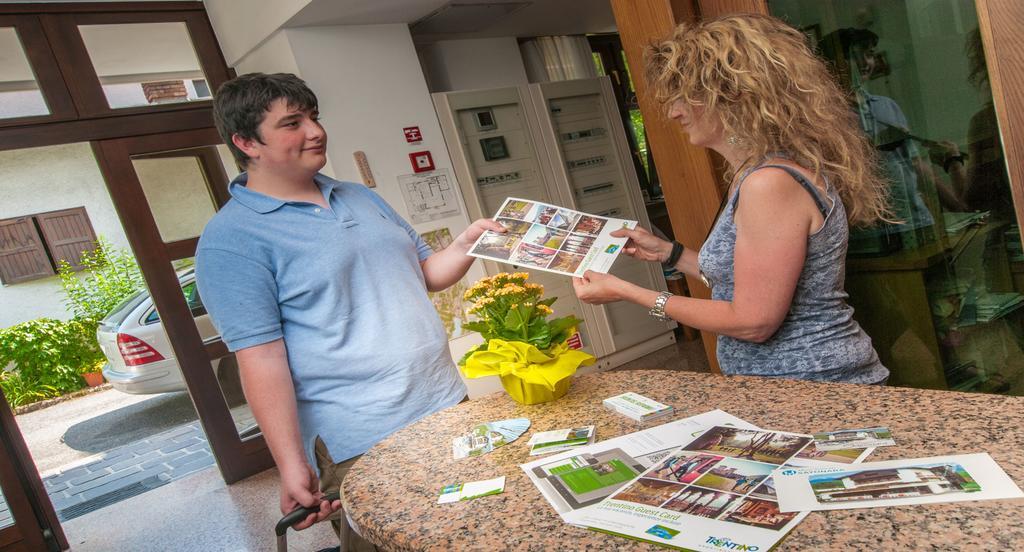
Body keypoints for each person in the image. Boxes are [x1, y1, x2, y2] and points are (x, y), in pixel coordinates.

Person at [195, 72, 504, 547]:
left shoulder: (358, 195)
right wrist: (291, 464)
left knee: (480, 529)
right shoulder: (231, 240)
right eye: (292, 123)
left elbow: (427, 273)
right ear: (245, 142)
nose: (315, 131)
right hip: (361, 435)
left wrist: (470, 240)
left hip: (444, 400)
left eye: (314, 117)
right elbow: (260, 359)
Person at [572, 14, 890, 385]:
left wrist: (629, 292)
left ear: (734, 94)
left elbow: (754, 322)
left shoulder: (770, 184)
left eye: (685, 96)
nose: (674, 112)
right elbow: (747, 280)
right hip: (789, 384)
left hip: (817, 386)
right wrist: (668, 254)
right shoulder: (757, 172)